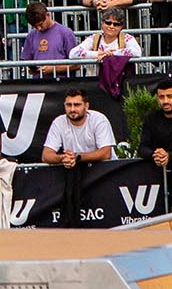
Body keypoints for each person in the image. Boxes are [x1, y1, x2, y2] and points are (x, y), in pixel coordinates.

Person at [43, 88, 117, 224]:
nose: (72, 109)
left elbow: (106, 153)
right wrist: (63, 158)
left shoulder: (99, 120)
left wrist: (77, 157)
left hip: (105, 173)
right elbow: (46, 155)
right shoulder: (59, 122)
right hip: (75, 174)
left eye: (77, 105)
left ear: (86, 106)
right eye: (68, 105)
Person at [67, 14, 142, 100]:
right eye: (108, 23)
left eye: (116, 24)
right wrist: (96, 54)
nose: (111, 26)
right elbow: (73, 54)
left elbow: (137, 52)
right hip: (94, 83)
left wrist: (111, 54)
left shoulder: (126, 38)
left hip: (119, 83)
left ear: (121, 27)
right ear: (102, 23)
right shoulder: (94, 38)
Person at [21, 2, 79, 79]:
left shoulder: (66, 33)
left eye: (41, 24)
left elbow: (77, 65)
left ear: (48, 15)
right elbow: (27, 62)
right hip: (39, 83)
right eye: (35, 26)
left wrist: (54, 69)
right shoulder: (31, 35)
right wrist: (32, 69)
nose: (39, 28)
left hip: (62, 84)